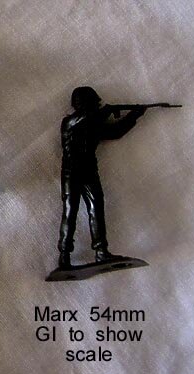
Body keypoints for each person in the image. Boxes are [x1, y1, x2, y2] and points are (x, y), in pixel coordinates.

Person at [56, 86, 145, 268]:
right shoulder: (69, 122)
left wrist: (135, 115)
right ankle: (64, 256)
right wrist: (106, 111)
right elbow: (87, 118)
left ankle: (101, 251)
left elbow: (115, 132)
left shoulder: (92, 124)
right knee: (70, 210)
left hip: (89, 170)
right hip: (71, 172)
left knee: (96, 207)